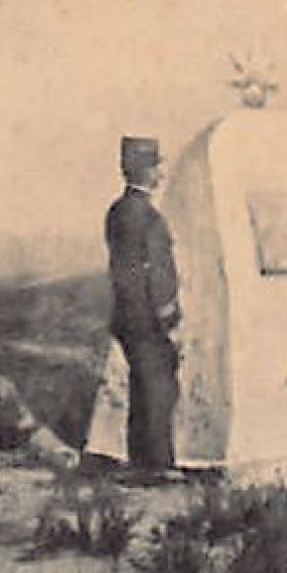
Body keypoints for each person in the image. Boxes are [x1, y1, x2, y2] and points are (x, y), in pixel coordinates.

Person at [106, 136, 182, 475]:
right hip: (149, 316)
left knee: (142, 385)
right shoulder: (149, 217)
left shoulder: (117, 211)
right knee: (159, 387)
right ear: (145, 171)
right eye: (156, 167)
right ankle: (157, 465)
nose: (161, 174)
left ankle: (141, 461)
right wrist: (168, 314)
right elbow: (159, 272)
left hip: (125, 314)